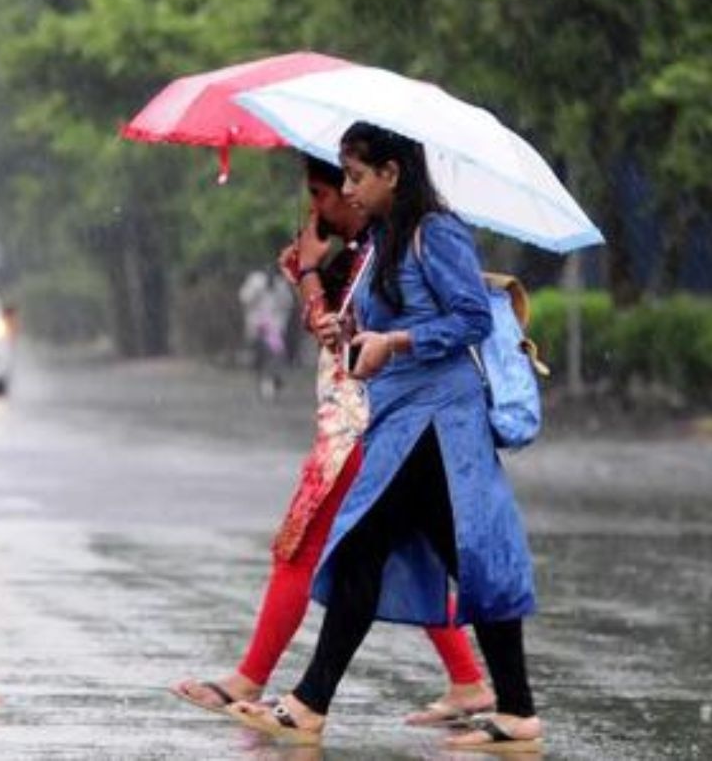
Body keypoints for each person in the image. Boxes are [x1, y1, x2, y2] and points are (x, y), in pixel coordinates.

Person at [228, 124, 543, 752]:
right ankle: (515, 710)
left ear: (393, 174)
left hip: (435, 427)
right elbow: (386, 317)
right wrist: (351, 328)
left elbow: (472, 319)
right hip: (401, 420)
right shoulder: (383, 242)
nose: (348, 188)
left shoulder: (436, 232)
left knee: (363, 550)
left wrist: (398, 342)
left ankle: (309, 702)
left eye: (356, 176)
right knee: (457, 558)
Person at [171, 154, 494, 727]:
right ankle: (470, 682)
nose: (326, 200)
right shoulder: (371, 249)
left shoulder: (392, 248)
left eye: (336, 186)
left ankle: (267, 683)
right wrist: (310, 274)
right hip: (369, 424)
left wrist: (313, 276)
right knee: (399, 555)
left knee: (305, 548)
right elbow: (334, 333)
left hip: (362, 427)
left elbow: (349, 337)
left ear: (377, 181)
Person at [238, 265, 295, 398]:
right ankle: (261, 378)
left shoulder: (281, 286)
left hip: (274, 328)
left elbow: (288, 305)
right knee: (257, 355)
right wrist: (257, 291)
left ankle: (274, 378)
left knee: (275, 354)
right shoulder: (255, 282)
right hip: (257, 325)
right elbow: (244, 298)